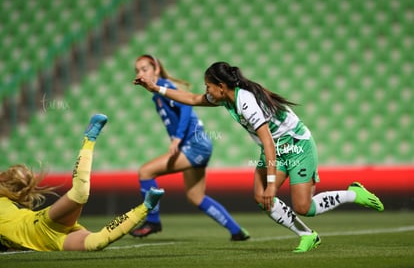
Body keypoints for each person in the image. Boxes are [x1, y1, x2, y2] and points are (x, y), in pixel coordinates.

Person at [134, 61, 385, 253]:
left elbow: (267, 141)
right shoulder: (224, 98)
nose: (206, 91)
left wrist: (273, 184)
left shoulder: (245, 102)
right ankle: (308, 236)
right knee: (260, 197)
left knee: (303, 207)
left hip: (297, 146)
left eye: (208, 86)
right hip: (275, 148)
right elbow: (190, 99)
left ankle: (354, 193)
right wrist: (155, 88)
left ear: (221, 86)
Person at [0, 113, 165, 251]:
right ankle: (146, 206)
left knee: (79, 193)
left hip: (38, 225)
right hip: (52, 242)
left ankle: (89, 138)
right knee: (96, 243)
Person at [130, 55, 249, 241]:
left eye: (145, 69)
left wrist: (177, 139)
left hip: (195, 145)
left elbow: (186, 108)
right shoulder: (158, 94)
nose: (140, 73)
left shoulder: (165, 87)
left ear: (156, 70)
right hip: (199, 146)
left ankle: (152, 220)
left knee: (146, 172)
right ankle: (237, 231)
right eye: (137, 70)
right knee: (196, 197)